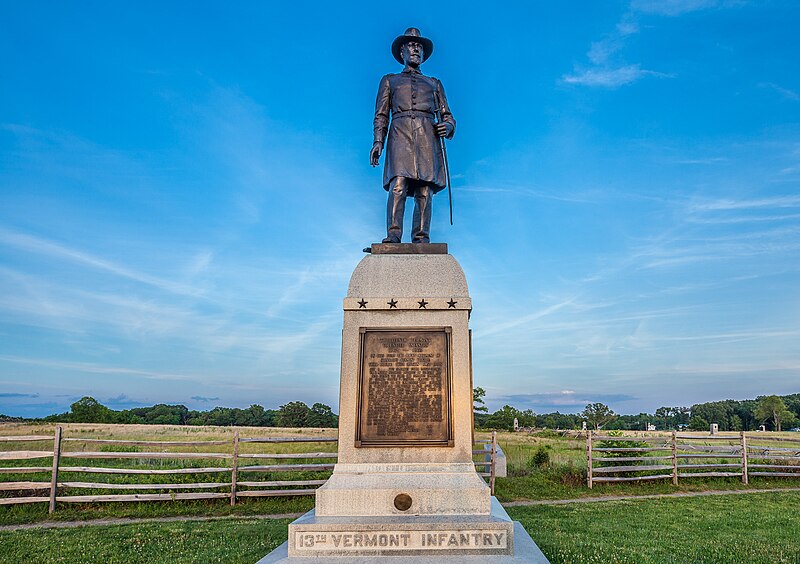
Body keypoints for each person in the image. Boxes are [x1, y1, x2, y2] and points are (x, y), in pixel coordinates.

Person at [370, 28, 456, 244]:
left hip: (427, 137)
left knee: (425, 190)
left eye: (419, 46)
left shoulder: (434, 84)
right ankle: (393, 235)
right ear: (402, 52)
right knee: (398, 185)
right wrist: (378, 141)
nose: (416, 49)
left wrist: (448, 126)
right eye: (411, 45)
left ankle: (421, 238)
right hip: (400, 134)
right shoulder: (390, 80)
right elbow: (381, 114)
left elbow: (449, 116)